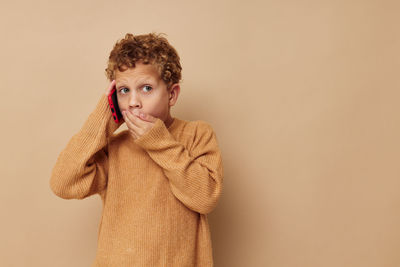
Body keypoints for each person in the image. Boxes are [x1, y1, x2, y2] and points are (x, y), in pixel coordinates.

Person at [49, 32, 224, 266]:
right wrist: (104, 119)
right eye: (124, 91)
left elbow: (205, 198)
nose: (133, 102)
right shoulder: (115, 147)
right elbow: (62, 182)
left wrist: (159, 142)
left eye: (146, 88)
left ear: (171, 94)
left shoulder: (196, 134)